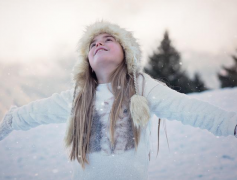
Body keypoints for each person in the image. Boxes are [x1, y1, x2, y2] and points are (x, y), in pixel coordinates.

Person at [0, 21, 237, 180]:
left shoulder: (141, 87)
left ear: (126, 52)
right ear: (88, 63)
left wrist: (230, 123)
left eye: (108, 40)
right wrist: (8, 122)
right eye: (92, 44)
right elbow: (37, 111)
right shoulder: (78, 97)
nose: (98, 44)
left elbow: (187, 108)